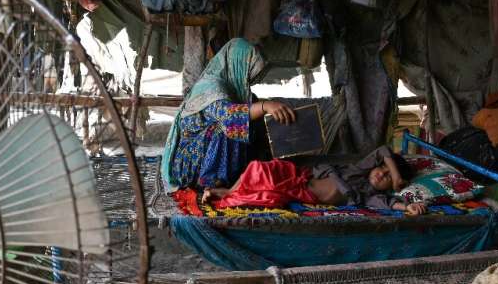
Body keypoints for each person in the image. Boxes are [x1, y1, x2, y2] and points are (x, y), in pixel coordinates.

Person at [162, 38, 296, 192]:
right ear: (237, 64)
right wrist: (266, 106)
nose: (249, 81)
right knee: (230, 127)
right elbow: (230, 117)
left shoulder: (235, 90)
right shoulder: (211, 88)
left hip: (206, 157)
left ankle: (243, 174)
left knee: (252, 119)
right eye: (248, 73)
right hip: (186, 166)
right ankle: (212, 183)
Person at [203, 145, 429, 215]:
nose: (382, 174)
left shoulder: (369, 195)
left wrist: (408, 206)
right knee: (258, 167)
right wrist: (397, 175)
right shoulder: (360, 169)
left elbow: (389, 204)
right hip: (299, 176)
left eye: (388, 178)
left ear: (391, 187)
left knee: (266, 193)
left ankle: (223, 194)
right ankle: (227, 190)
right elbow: (383, 150)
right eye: (383, 169)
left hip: (300, 193)